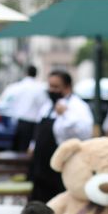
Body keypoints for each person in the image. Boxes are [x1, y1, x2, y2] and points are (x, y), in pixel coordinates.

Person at [29, 70, 94, 203]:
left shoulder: (78, 107)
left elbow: (84, 132)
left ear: (67, 87)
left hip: (63, 167)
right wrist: (33, 145)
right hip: (41, 167)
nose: (51, 90)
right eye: (50, 86)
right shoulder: (47, 106)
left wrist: (66, 114)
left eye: (56, 87)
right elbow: (39, 129)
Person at [0, 65, 47, 152]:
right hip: (34, 124)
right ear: (36, 74)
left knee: (18, 151)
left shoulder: (14, 87)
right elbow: (44, 105)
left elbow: (3, 104)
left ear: (25, 73)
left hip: (17, 122)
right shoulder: (40, 88)